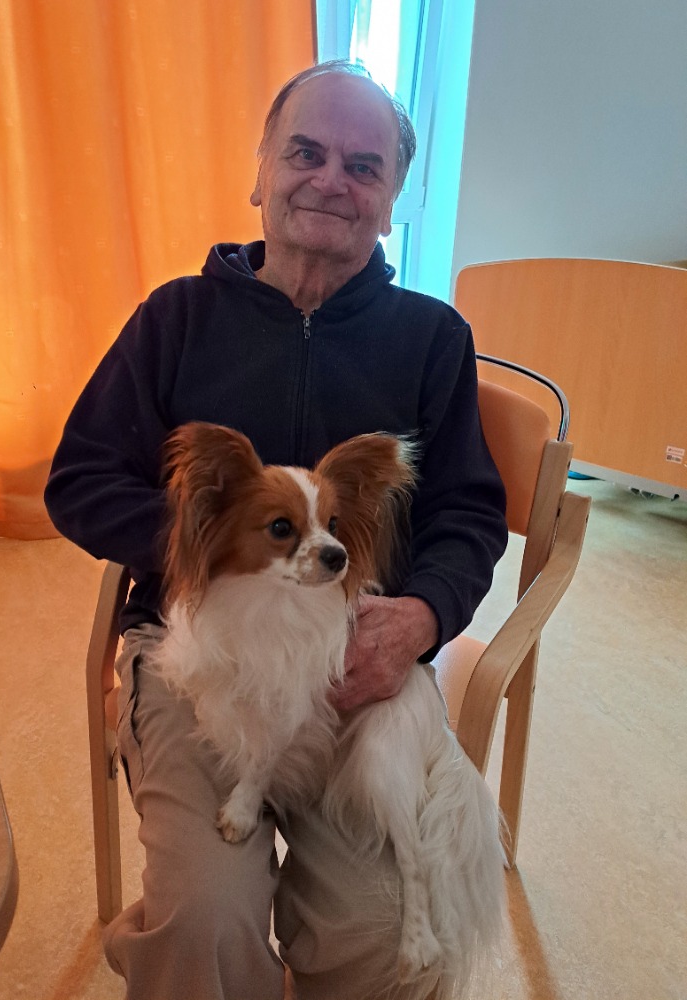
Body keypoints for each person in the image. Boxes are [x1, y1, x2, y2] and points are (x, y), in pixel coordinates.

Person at [45, 60, 507, 1000]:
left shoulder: (431, 338)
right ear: (260, 173)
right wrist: (206, 547)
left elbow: (467, 512)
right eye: (305, 153)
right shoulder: (175, 317)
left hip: (355, 667)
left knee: (384, 940)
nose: (330, 180)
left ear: (391, 201)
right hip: (198, 662)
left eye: (363, 166)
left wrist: (422, 617)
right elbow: (80, 480)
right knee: (205, 921)